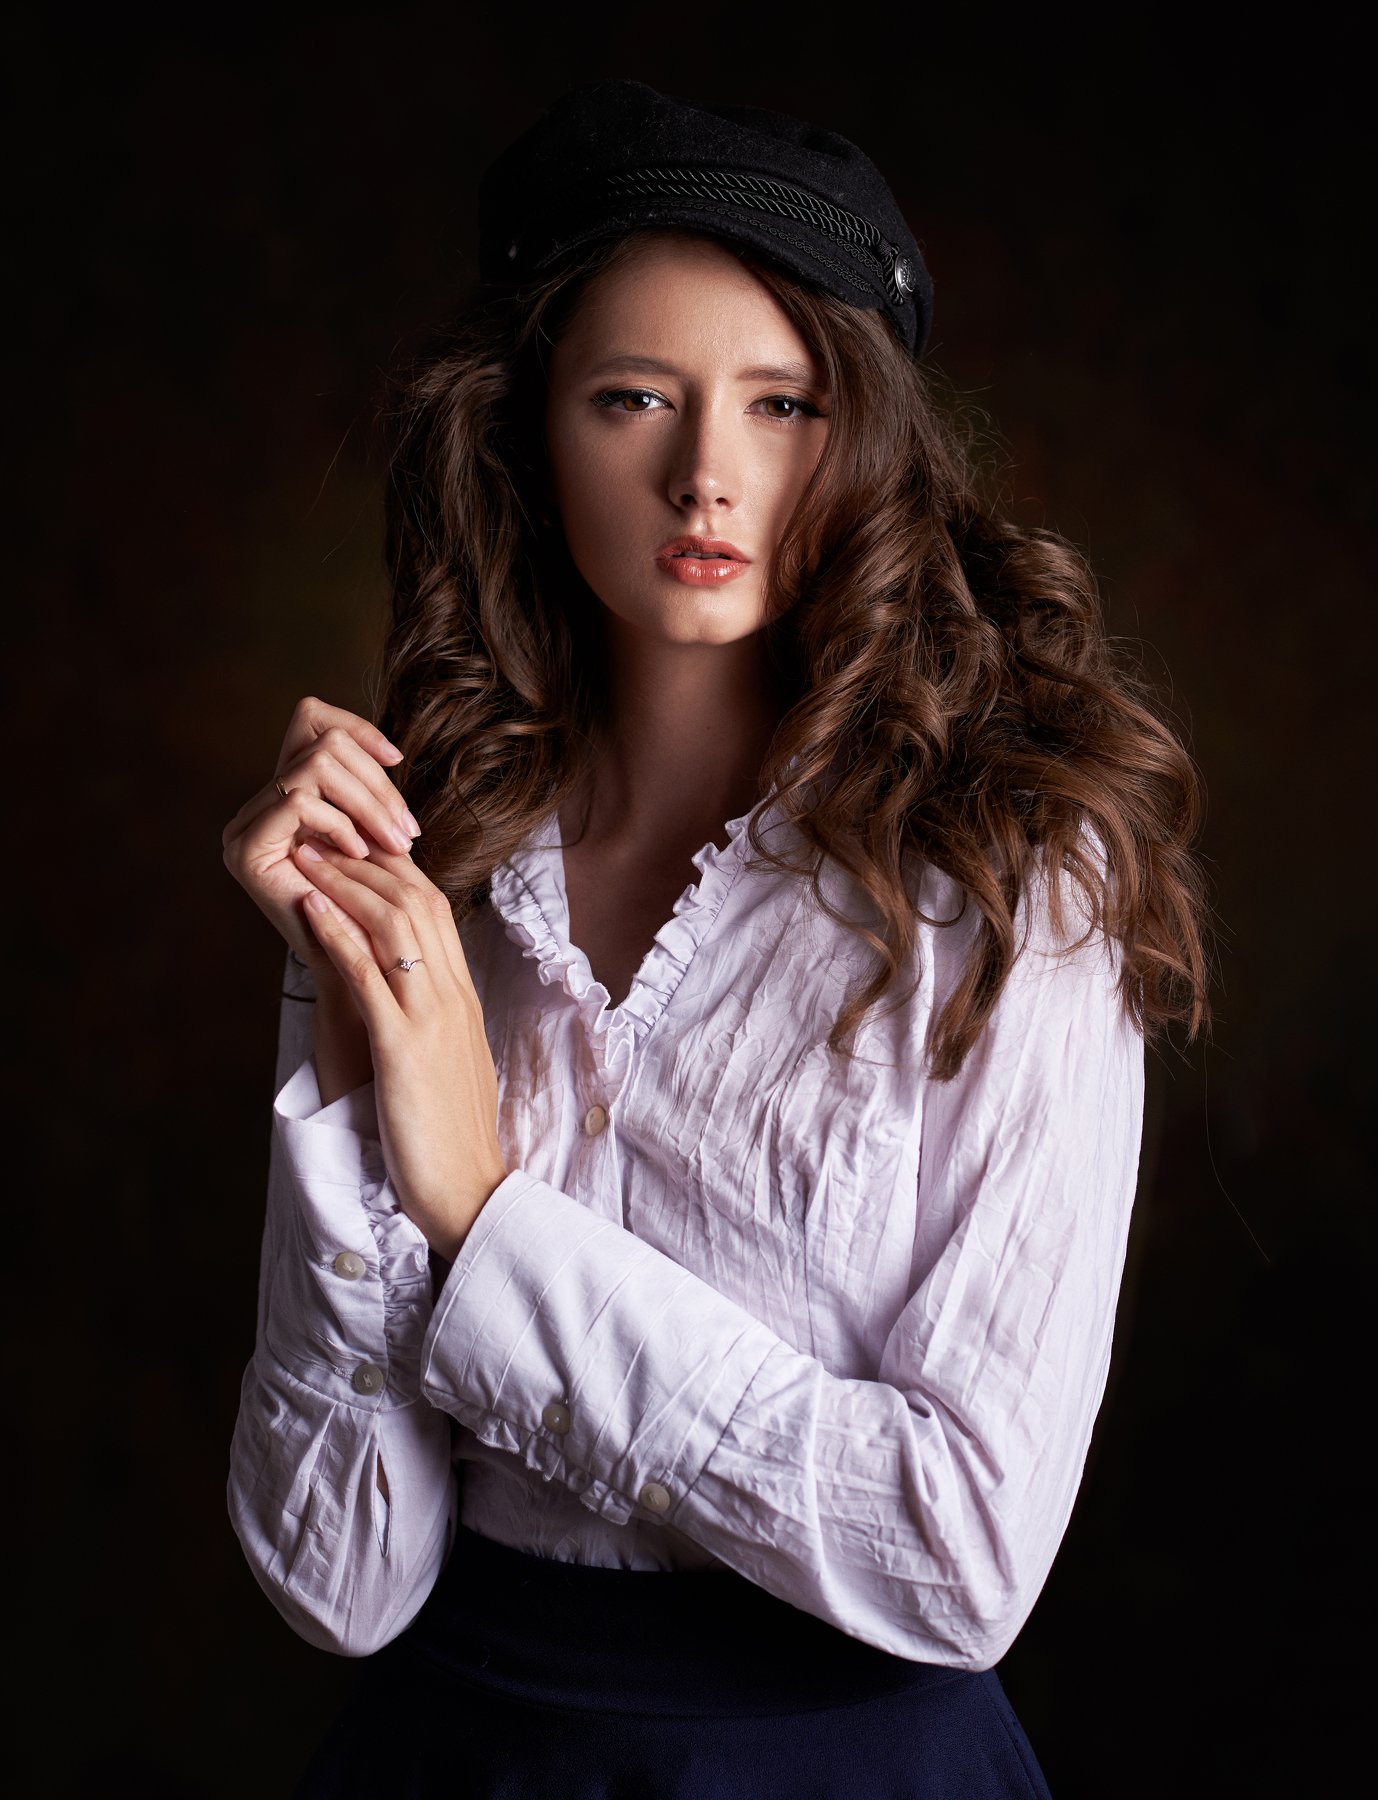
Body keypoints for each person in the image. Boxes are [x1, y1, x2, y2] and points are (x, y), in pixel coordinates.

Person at [223, 81, 1208, 1798]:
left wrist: (488, 1219)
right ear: (528, 432)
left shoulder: (1014, 883)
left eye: (783, 403)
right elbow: (337, 1582)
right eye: (632, 398)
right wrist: (344, 1000)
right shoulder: (436, 865)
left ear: (869, 437)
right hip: (450, 1755)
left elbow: (961, 1556)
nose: (707, 474)